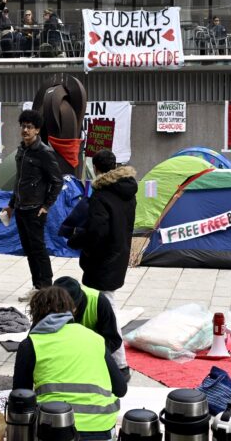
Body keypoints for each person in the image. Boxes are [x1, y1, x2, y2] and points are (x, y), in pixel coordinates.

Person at [12, 286, 126, 440]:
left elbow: (21, 397)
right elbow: (121, 389)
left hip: (54, 428)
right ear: (72, 310)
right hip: (101, 427)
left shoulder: (31, 344)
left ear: (35, 314)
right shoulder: (95, 338)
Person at [66, 149, 137, 377]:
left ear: (95, 168)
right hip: (119, 255)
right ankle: (96, 351)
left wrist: (76, 239)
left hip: (102, 259)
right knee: (99, 304)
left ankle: (119, 362)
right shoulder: (128, 191)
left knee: (106, 308)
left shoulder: (101, 195)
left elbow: (97, 231)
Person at [4, 110, 63, 300]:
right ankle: (37, 287)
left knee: (38, 249)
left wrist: (46, 205)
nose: (25, 130)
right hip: (21, 208)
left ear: (37, 130)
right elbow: (19, 181)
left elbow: (57, 181)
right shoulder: (21, 150)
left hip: (35, 210)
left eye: (30, 127)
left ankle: (46, 288)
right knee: (28, 250)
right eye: (23, 126)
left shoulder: (44, 152)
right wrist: (11, 205)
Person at [53, 277, 129, 381]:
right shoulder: (48, 304)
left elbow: (114, 340)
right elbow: (35, 336)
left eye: (69, 309)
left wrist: (90, 353)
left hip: (92, 352)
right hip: (62, 352)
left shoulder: (99, 301)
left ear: (78, 302)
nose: (65, 313)